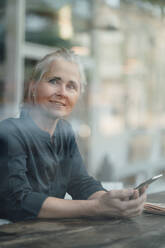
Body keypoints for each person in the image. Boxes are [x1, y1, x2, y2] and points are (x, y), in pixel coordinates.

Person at [0, 48, 146, 222]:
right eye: (54, 81)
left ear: (77, 95)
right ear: (33, 86)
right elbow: (17, 201)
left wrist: (113, 200)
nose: (62, 92)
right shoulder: (10, 132)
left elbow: (80, 182)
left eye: (71, 86)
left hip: (50, 235)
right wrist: (97, 207)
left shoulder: (65, 132)